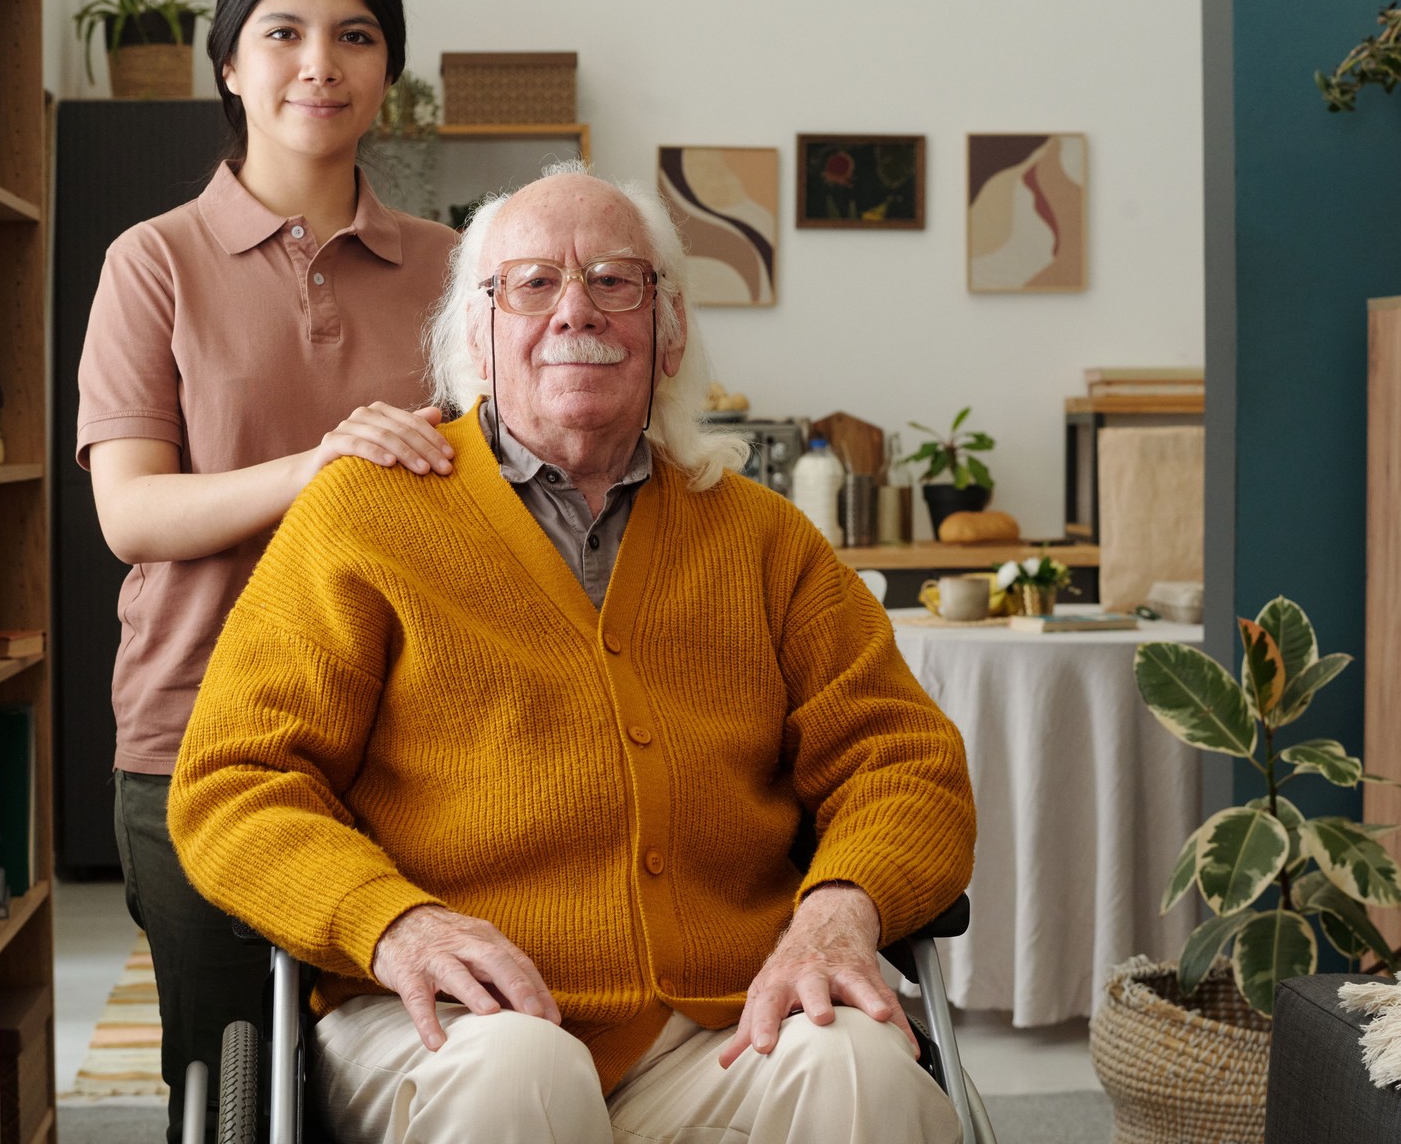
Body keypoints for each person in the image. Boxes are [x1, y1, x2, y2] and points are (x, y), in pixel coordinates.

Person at [168, 165, 977, 1144]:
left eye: (613, 279)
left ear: (667, 328)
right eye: (533, 282)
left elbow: (905, 764)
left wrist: (841, 908)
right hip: (449, 1024)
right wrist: (393, 921)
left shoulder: (764, 539)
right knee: (521, 1069)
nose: (574, 309)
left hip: (717, 1022)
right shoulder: (364, 515)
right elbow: (235, 779)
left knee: (862, 1068)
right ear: (476, 329)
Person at [76, 0, 458, 1141]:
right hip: (200, 734)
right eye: (282, 31)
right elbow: (131, 512)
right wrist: (324, 462)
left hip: (416, 742)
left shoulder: (462, 270)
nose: (319, 63)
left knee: (422, 1063)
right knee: (236, 1091)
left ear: (385, 70)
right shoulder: (155, 262)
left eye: (354, 36)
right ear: (230, 64)